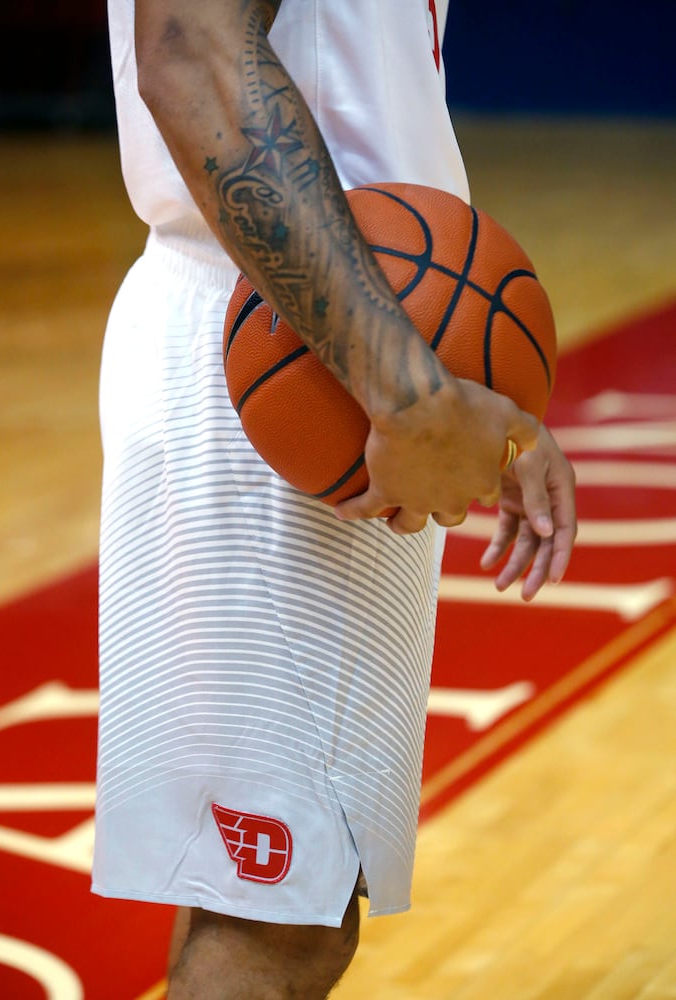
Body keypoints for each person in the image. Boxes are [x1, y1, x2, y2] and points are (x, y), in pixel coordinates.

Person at [92, 1, 577, 997]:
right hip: (289, 359)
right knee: (274, 932)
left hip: (327, 334)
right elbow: (188, 48)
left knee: (273, 902)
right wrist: (411, 393)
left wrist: (469, 387)